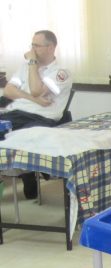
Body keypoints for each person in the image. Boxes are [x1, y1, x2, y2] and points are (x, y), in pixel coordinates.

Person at [0, 30, 72, 199]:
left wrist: (32, 63)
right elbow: (9, 91)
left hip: (42, 118)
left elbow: (36, 89)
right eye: (32, 45)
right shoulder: (24, 67)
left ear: (51, 47)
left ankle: (27, 173)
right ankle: (21, 174)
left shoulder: (61, 73)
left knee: (18, 138)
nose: (32, 50)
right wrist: (34, 99)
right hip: (17, 113)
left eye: (37, 46)